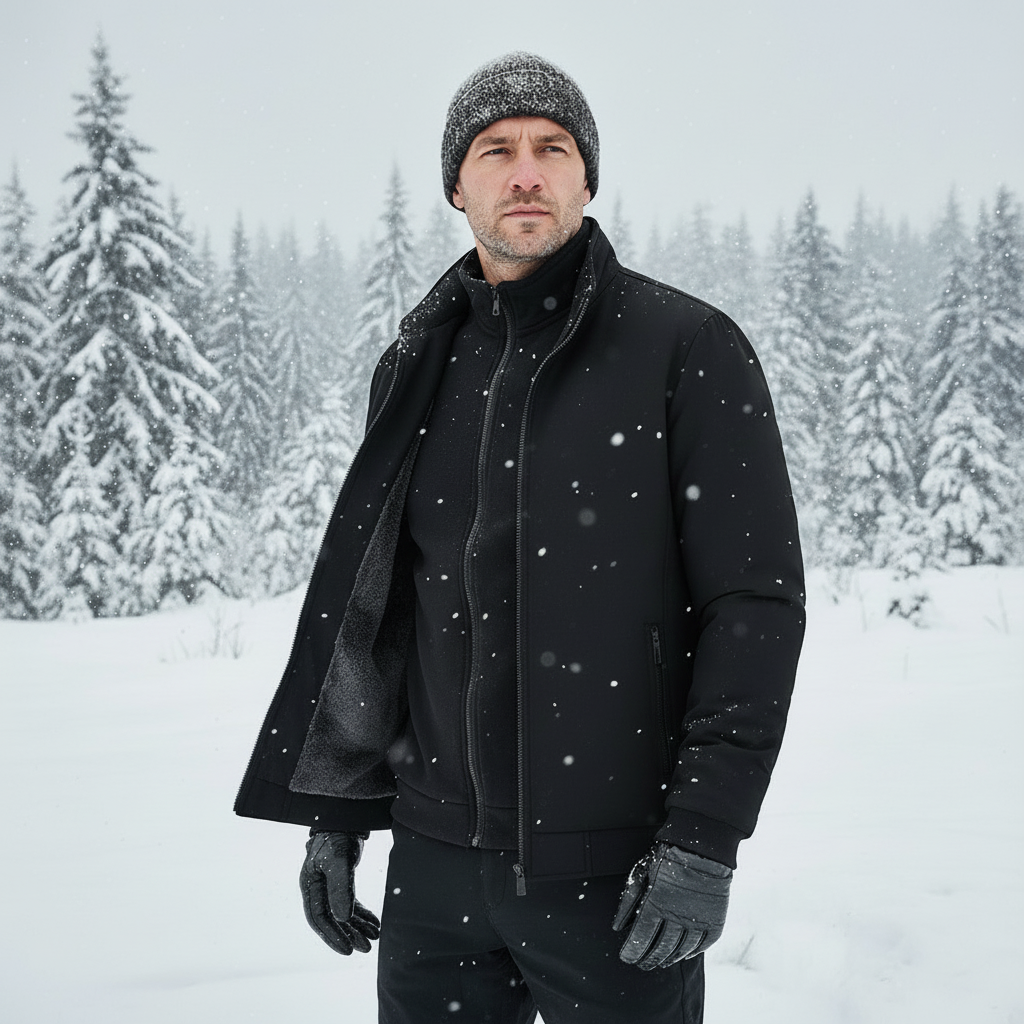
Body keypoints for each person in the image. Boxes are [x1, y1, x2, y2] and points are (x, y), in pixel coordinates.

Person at [235, 52, 805, 1024]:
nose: (526, 171)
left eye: (553, 148)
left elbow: (751, 608)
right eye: (496, 150)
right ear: (457, 183)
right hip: (433, 869)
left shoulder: (684, 347)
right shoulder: (419, 358)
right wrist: (338, 810)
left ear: (588, 178)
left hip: (615, 874)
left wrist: (703, 837)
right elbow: (382, 604)